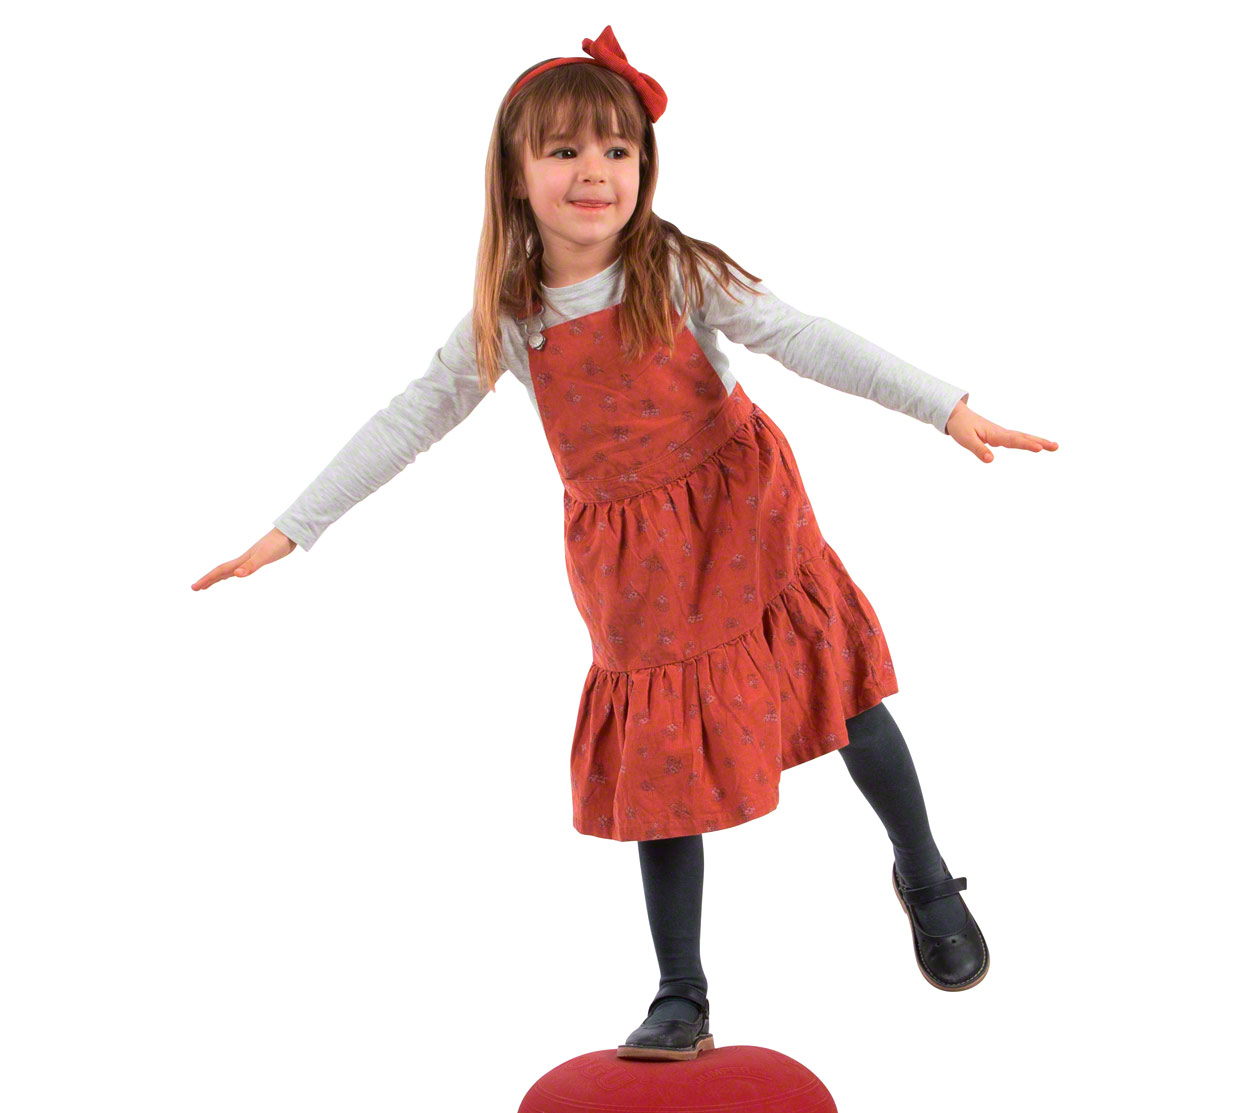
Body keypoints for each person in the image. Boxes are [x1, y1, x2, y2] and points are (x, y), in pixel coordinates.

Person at [192, 25, 1058, 1061]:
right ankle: (680, 992)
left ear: (644, 167)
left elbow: (805, 336)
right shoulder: (509, 318)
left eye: (616, 149)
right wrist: (292, 528)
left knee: (837, 690)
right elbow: (409, 418)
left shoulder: (676, 271)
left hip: (742, 516)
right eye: (563, 151)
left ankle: (922, 869)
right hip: (633, 566)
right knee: (660, 761)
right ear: (515, 175)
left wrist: (943, 405)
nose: (593, 172)